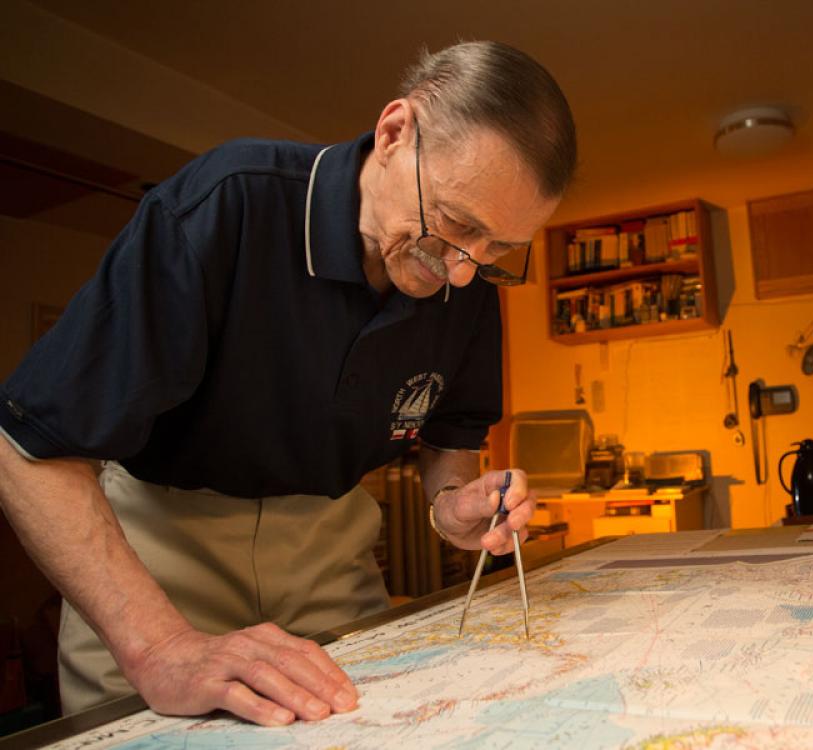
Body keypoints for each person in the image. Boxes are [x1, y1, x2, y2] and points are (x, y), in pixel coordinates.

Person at [0, 40, 576, 726]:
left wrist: (452, 503)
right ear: (394, 133)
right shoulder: (227, 203)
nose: (461, 271)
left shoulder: (468, 278)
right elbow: (26, 449)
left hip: (333, 560)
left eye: (497, 250)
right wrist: (162, 648)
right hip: (160, 558)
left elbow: (451, 437)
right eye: (455, 225)